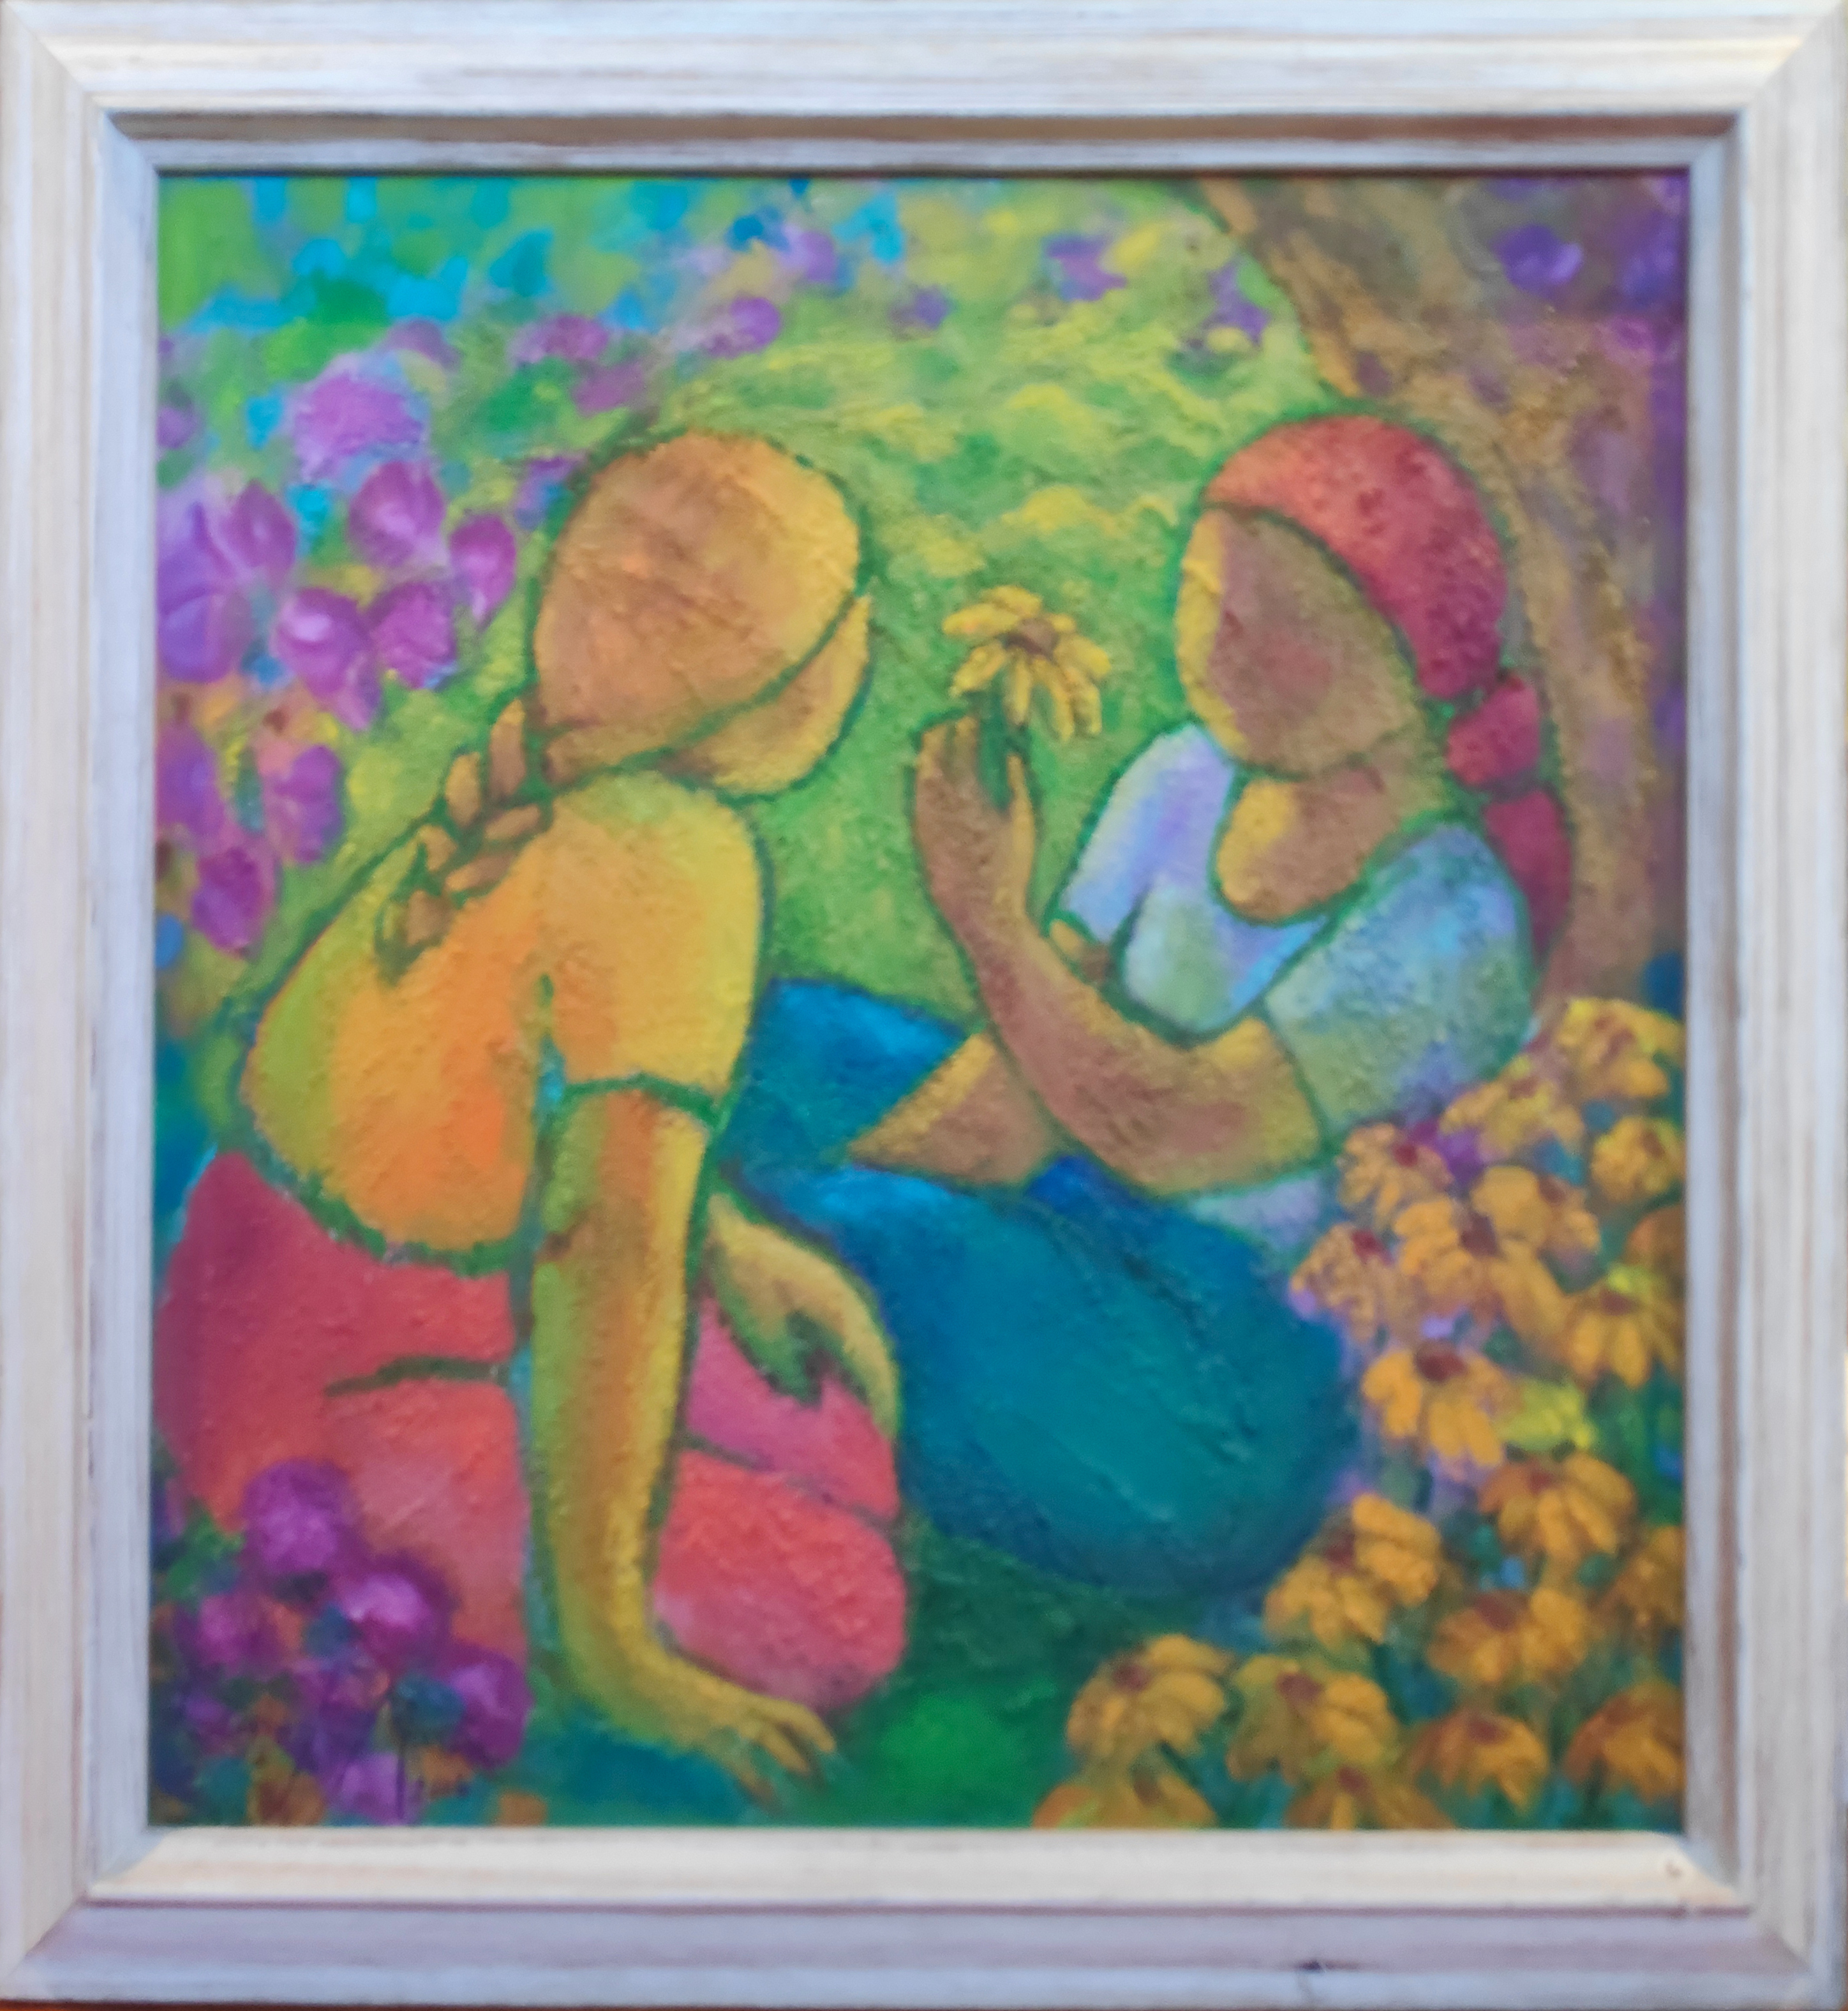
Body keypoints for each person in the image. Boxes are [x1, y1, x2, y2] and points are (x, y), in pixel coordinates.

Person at [715, 414, 1561, 1601]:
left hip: (1244, 1372)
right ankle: (682, 1245)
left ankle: (664, 1296)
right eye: (1207, 603)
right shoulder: (1182, 775)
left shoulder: (1445, 915)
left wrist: (990, 930)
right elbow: (1017, 1097)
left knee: (877, 1246)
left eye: (1286, 623)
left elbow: (1179, 1130)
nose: (1224, 650)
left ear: (1417, 658)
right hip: (1094, 1212)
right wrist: (812, 1183)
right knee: (777, 1042)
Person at [237, 431, 898, 1795]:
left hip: (250, 1305)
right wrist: (612, 1647)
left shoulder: (540, 782)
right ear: (797, 681)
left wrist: (721, 1236)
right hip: (317, 1422)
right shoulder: (680, 856)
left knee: (822, 1430)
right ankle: (551, 1651)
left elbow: (493, 1116)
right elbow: (602, 1246)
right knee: (841, 1598)